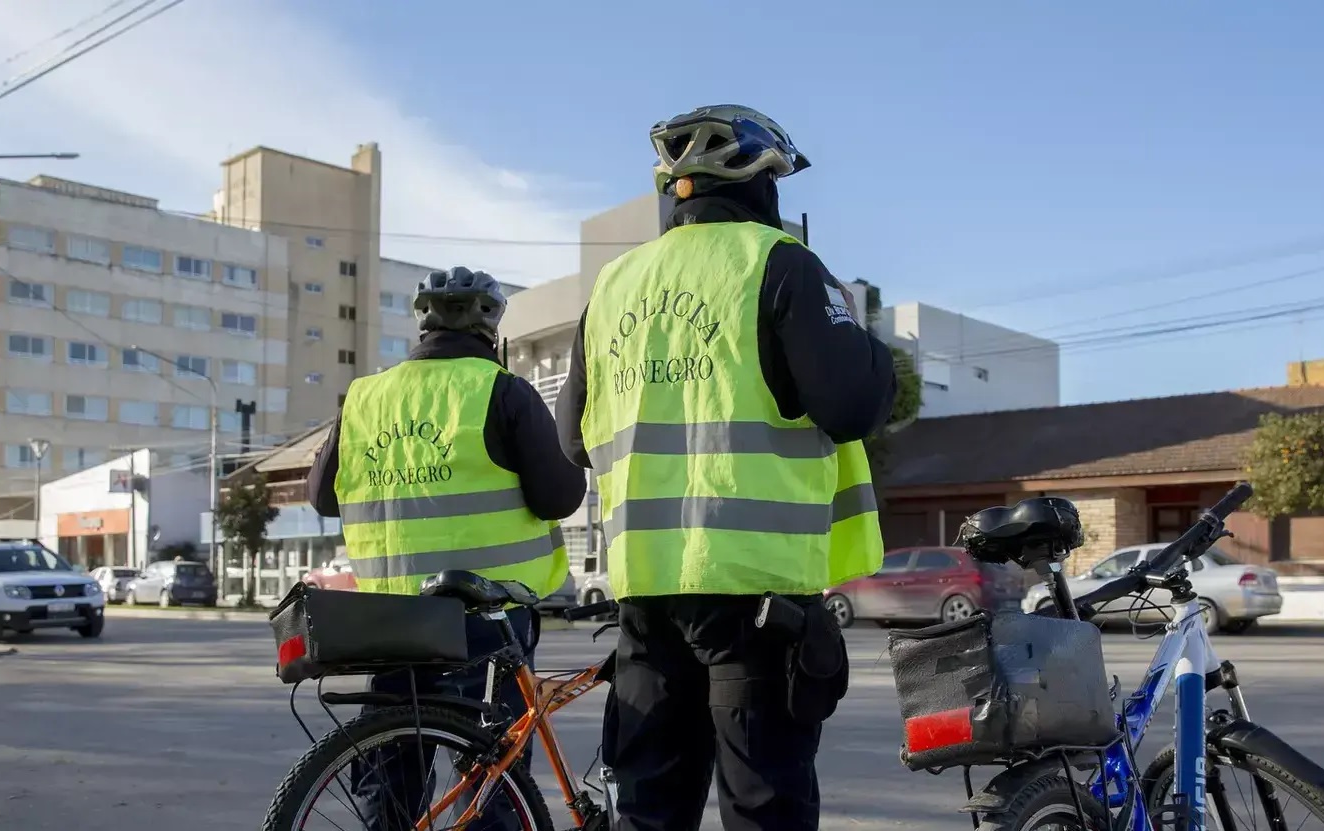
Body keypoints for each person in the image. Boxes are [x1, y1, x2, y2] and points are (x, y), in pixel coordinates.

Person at [555, 104, 898, 831]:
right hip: (753, 596)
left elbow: (572, 442)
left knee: (648, 812)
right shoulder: (779, 264)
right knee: (761, 807)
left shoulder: (612, 288)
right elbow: (851, 404)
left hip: (647, 595)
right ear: (765, 184)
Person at [307, 266, 586, 829]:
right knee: (491, 777)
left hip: (390, 622)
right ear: (491, 328)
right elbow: (561, 496)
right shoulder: (502, 391)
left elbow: (320, 496)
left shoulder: (366, 398)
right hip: (485, 621)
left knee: (392, 774)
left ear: (423, 325)